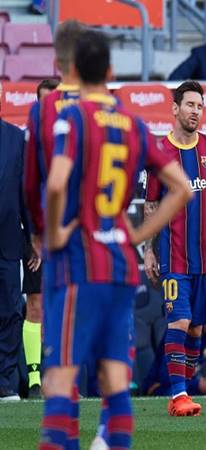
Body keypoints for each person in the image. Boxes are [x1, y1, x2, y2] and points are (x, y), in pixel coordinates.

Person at [38, 29, 192, 450]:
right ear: (110, 71)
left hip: (80, 262)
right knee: (116, 379)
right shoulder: (133, 124)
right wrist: (136, 234)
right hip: (121, 266)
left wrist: (54, 232)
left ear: (72, 70)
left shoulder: (73, 118)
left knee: (61, 378)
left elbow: (56, 183)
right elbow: (182, 188)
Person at [143, 80, 206, 417]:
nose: (195, 112)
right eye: (190, 105)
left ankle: (183, 393)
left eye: (200, 106)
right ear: (175, 108)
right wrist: (149, 250)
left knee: (199, 328)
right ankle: (178, 394)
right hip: (174, 257)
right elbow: (150, 206)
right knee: (180, 321)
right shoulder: (159, 153)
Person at [20, 78, 59, 401]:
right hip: (37, 237)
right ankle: (35, 379)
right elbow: (23, 193)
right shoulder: (26, 144)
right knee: (35, 303)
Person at [0, 91, 34, 401]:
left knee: (11, 311)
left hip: (8, 242)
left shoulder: (15, 138)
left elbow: (25, 195)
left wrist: (33, 236)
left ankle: (5, 382)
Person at [143, 322, 206, 397]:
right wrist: (198, 386)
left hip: (197, 384)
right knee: (172, 393)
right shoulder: (176, 329)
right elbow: (167, 379)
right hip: (163, 386)